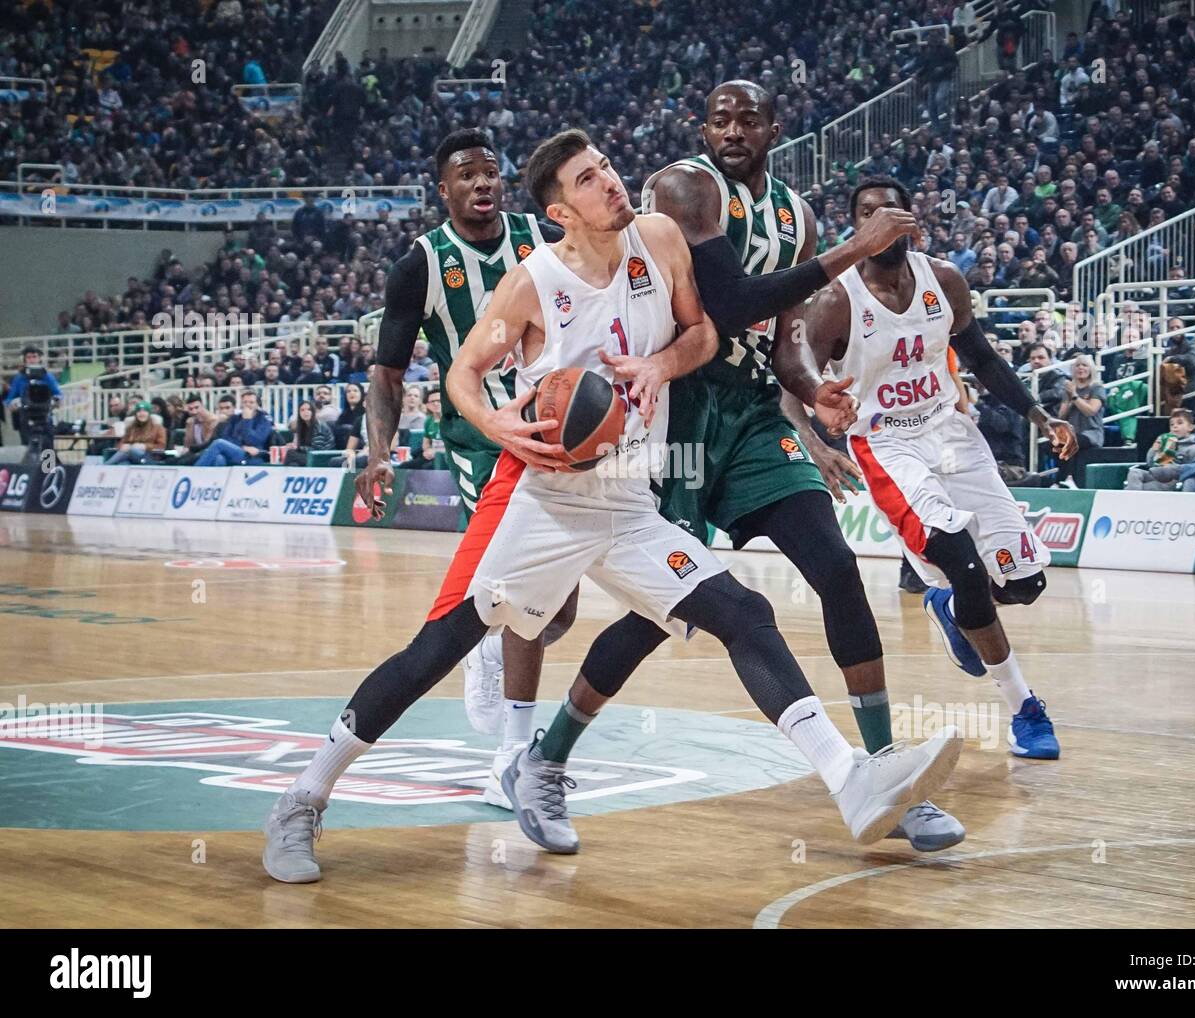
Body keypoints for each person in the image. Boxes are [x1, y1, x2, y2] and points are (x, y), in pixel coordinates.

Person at [261, 130, 960, 882]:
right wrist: (492, 420)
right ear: (562, 210)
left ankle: (852, 782)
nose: (614, 184)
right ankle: (302, 800)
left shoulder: (658, 238)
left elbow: (701, 332)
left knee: (743, 613)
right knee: (439, 648)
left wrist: (661, 363)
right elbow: (466, 371)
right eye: (591, 181)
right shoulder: (534, 282)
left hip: (628, 499)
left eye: (609, 169)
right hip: (542, 500)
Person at [551, 81, 972, 851]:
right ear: (701, 128)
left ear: (776, 127)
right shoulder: (684, 187)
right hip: (675, 410)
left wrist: (817, 397)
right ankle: (548, 759)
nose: (733, 130)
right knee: (658, 614)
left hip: (747, 414)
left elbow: (783, 340)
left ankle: (885, 773)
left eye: (749, 119)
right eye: (720, 119)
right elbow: (735, 303)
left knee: (838, 566)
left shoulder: (796, 214)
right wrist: (856, 249)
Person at [778, 176, 1078, 761]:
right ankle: (1024, 709)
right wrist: (813, 443)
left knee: (1025, 583)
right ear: (855, 227)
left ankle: (950, 609)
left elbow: (984, 358)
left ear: (911, 219)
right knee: (962, 564)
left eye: (890, 209)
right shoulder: (838, 300)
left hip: (951, 433)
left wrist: (1040, 414)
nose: (879, 219)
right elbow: (793, 380)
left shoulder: (945, 280)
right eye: (866, 213)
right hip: (887, 443)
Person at [353, 129, 578, 801]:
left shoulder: (540, 238)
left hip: (555, 426)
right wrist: (379, 452)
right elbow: (388, 373)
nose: (482, 182)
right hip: (482, 442)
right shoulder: (419, 264)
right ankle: (512, 757)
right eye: (466, 175)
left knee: (557, 608)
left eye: (490, 172)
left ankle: (485, 645)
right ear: (442, 190)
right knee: (526, 589)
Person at [1053, 355, 1107, 487]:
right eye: (1078, 365)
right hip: (1073, 431)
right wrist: (1069, 398)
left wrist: (1075, 397)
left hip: (1092, 433)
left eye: (1084, 365)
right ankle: (1060, 480)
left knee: (1071, 441)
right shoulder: (1070, 389)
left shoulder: (1096, 388)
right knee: (1057, 442)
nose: (1081, 368)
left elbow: (1091, 410)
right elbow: (1061, 416)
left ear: (1091, 369)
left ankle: (1069, 478)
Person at [1125, 408, 1195, 490]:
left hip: (1173, 480)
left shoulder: (1193, 448)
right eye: (1172, 424)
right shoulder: (1165, 441)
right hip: (1155, 473)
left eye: (1180, 423)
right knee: (1134, 473)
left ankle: (1133, 497)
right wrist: (1154, 449)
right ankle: (1133, 497)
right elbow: (1150, 463)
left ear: (1190, 427)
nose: (1175, 426)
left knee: (1143, 488)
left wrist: (1174, 467)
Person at [196, 390, 273, 466]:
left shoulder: (264, 420)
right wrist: (241, 446)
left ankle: (195, 472)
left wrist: (247, 421)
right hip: (237, 452)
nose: (247, 405)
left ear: (257, 404)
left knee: (219, 443)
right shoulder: (235, 418)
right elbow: (226, 437)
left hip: (252, 456)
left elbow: (254, 441)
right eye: (245, 402)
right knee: (219, 459)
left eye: (251, 402)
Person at [5, 345, 63, 446]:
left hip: (45, 417)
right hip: (26, 418)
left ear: (39, 358)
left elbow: (58, 394)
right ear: (24, 359)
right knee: (28, 449)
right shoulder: (19, 378)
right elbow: (9, 399)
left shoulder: (47, 376)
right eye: (29, 357)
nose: (32, 360)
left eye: (34, 356)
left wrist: (56, 400)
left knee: (47, 448)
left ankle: (48, 462)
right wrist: (13, 404)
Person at [284, 400, 334, 466]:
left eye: (309, 409)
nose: (306, 412)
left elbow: (317, 449)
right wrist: (294, 446)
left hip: (322, 457)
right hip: (309, 456)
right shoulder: (302, 427)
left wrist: (297, 447)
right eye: (302, 410)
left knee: (290, 453)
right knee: (293, 464)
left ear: (313, 412)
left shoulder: (319, 426)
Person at [175, 393, 219, 464]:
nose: (194, 411)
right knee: (172, 461)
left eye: (196, 407)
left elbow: (207, 443)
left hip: (207, 451)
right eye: (190, 409)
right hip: (194, 452)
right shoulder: (191, 421)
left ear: (202, 406)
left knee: (183, 462)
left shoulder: (213, 420)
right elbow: (187, 445)